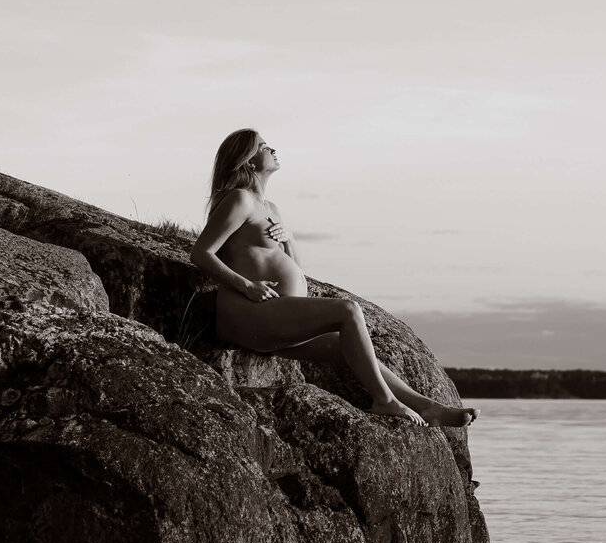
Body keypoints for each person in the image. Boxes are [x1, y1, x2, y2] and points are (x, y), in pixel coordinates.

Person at [190, 129, 477, 428]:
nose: (272, 148)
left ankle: (427, 406)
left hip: (278, 319)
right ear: (249, 162)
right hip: (251, 315)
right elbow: (201, 253)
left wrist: (288, 239)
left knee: (349, 345)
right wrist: (246, 285)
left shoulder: (271, 208)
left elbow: (297, 269)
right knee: (348, 310)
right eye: (263, 146)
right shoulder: (240, 200)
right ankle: (384, 401)